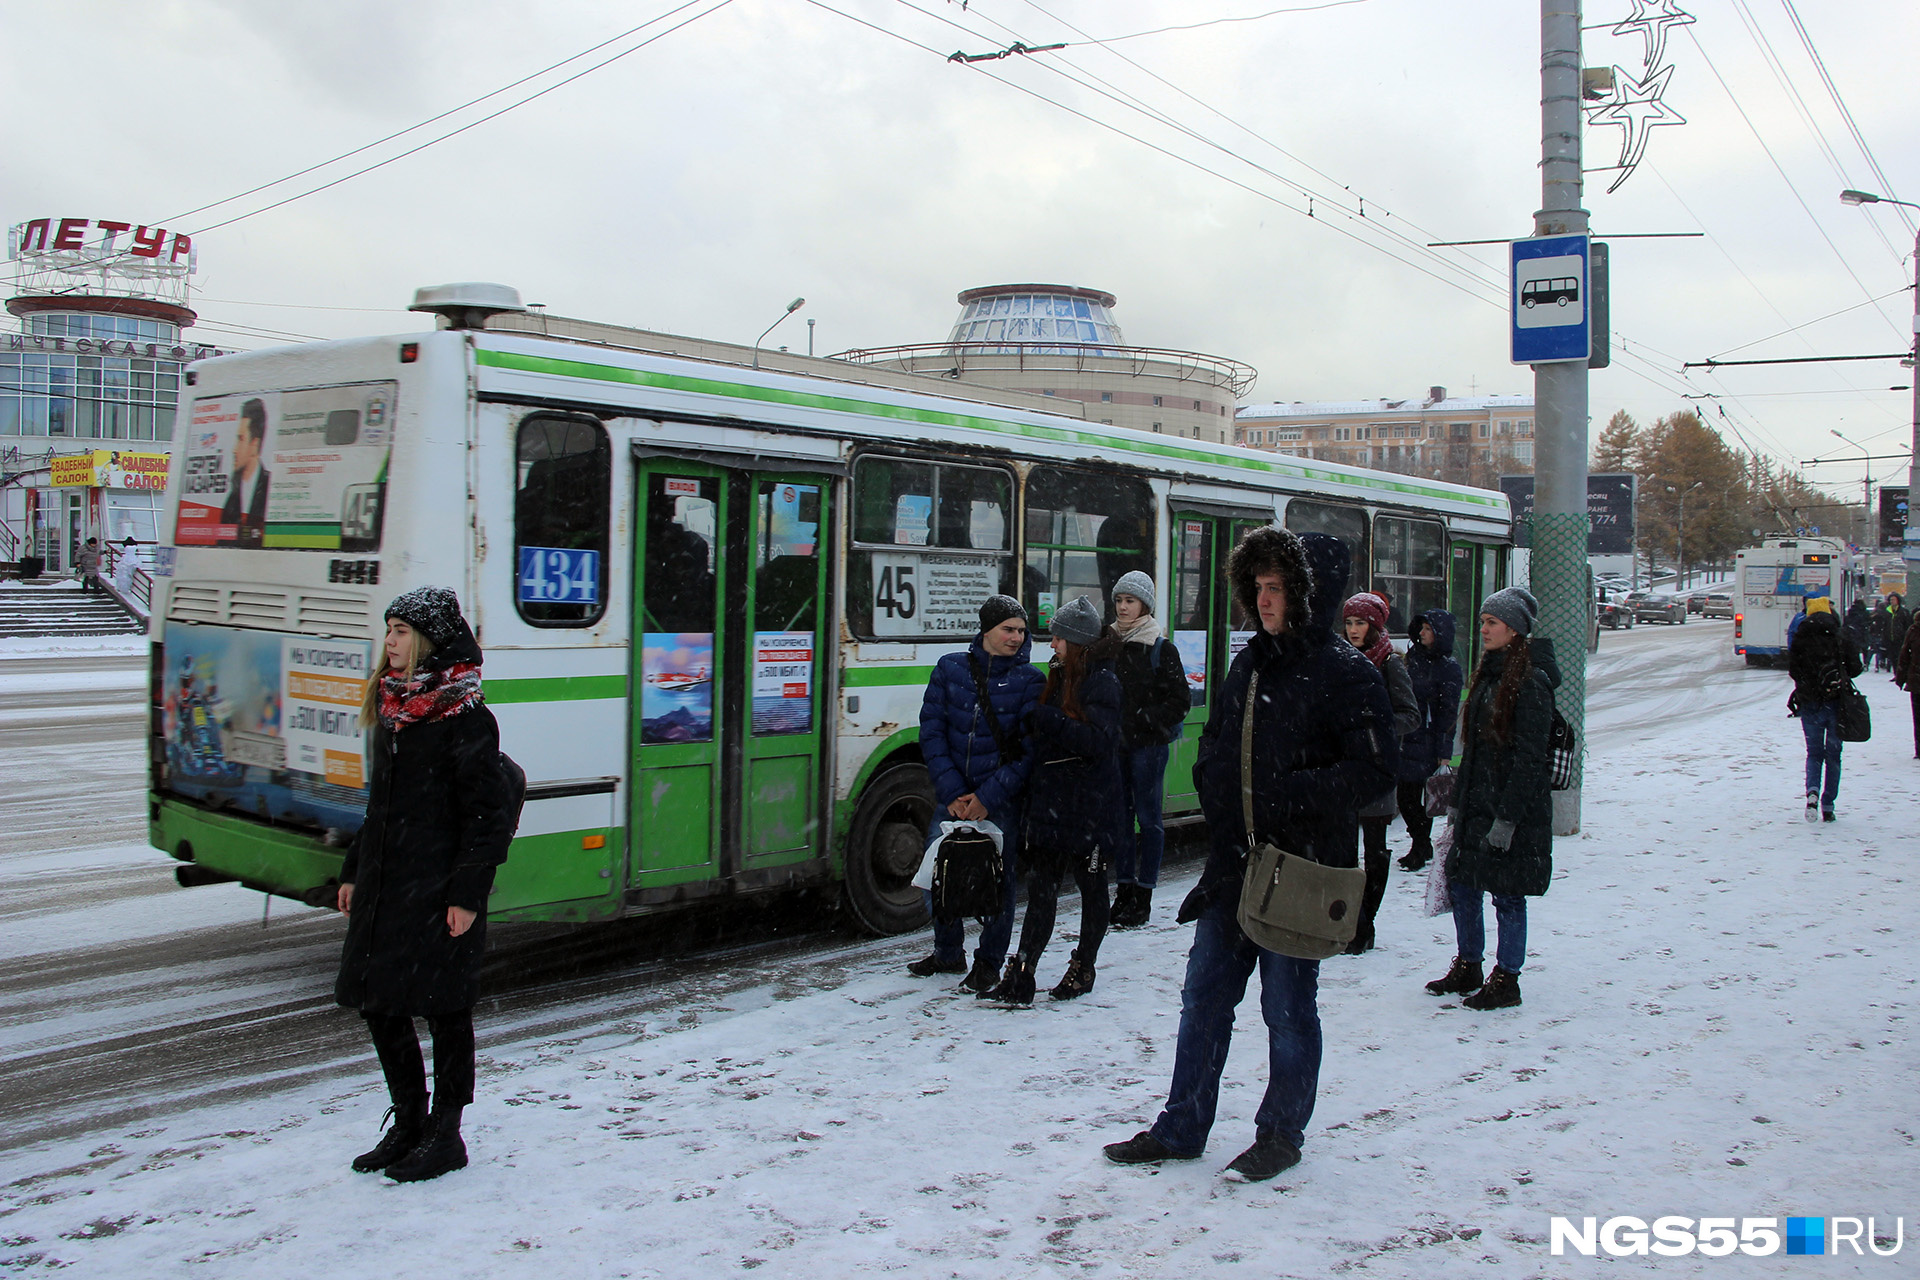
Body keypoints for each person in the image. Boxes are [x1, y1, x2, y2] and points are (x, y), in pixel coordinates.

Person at [1102, 529, 1395, 1182]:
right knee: (1203, 999)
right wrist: (1213, 779)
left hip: (1301, 870)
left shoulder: (1346, 673)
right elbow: (1216, 737)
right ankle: (1181, 1125)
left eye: (1277, 587)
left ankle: (1280, 1133)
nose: (1264, 600)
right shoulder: (1250, 663)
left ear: (1307, 593)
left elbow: (1378, 767)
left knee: (1288, 1009)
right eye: (1257, 586)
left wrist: (1291, 794)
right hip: (1234, 866)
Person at [335, 587, 517, 1182]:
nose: (389, 643)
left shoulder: (465, 717)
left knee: (445, 1011)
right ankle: (410, 1121)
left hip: (440, 888)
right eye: (388, 631)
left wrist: (467, 894)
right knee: (380, 1003)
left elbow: (485, 815)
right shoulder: (392, 708)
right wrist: (354, 871)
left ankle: (447, 1133)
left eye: (401, 633)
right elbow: (380, 806)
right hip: (390, 882)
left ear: (428, 642)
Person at [1424, 587, 1560, 1012]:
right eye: (1482, 622)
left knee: (1506, 894)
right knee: (1464, 885)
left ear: (1515, 631)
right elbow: (1477, 750)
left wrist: (1507, 819)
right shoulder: (1490, 675)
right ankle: (1469, 964)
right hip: (1477, 802)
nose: (1483, 630)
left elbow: (1529, 759)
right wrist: (1459, 804)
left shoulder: (1532, 682)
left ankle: (1508, 977)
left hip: (1509, 809)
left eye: (1492, 623)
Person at [990, 595, 1123, 1004]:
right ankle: (1023, 972)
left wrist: (1048, 720)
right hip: (1054, 803)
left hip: (1090, 807)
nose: (1052, 645)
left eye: (1060, 638)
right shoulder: (1060, 675)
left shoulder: (1102, 681)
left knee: (1092, 887)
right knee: (1042, 889)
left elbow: (1099, 742)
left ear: (1077, 642)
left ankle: (1083, 966)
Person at [909, 595, 1045, 993]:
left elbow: (1027, 753)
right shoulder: (950, 669)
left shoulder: (1031, 682)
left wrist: (986, 797)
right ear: (986, 630)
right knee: (938, 876)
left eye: (1021, 631)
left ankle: (988, 961)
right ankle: (948, 952)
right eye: (1008, 629)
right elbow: (931, 732)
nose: (1017, 638)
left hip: (998, 802)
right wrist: (952, 791)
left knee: (998, 883)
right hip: (952, 797)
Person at [1107, 570, 1190, 929]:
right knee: (1121, 820)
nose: (1123, 608)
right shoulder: (1108, 642)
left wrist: (1144, 718)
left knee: (1150, 820)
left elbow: (1180, 701)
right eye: (1119, 601)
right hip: (1118, 746)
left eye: (1130, 601)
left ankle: (1144, 894)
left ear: (1145, 605)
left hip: (1149, 748)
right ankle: (1123, 890)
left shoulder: (1160, 647)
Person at [1341, 591, 1420, 954]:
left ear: (1375, 626)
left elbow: (1410, 715)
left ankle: (1364, 923)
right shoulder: (1339, 659)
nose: (1354, 630)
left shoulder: (1390, 663)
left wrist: (1373, 731)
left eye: (1360, 623)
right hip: (1342, 770)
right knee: (1341, 852)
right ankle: (1341, 920)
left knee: (1373, 851)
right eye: (1349, 623)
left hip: (1376, 769)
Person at [1396, 609, 1463, 873]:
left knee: (1420, 799)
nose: (1422, 633)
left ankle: (1420, 845)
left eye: (1428, 629)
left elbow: (1448, 713)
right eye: (1420, 628)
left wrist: (1444, 752)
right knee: (1406, 797)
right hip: (1407, 737)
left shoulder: (1448, 668)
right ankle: (1421, 844)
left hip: (1426, 740)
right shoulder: (1413, 658)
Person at [1788, 596, 1863, 821]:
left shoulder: (1801, 637)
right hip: (1836, 703)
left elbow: (1793, 670)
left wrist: (1808, 684)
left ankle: (1812, 791)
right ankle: (1828, 804)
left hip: (1809, 702)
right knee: (1834, 755)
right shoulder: (1840, 635)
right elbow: (1856, 668)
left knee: (1814, 753)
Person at [219, 397, 271, 546]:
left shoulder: (271, 488)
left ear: (254, 444)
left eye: (240, 439)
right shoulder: (232, 499)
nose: (234, 450)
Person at [1895, 614, 1920, 759]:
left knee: (1918, 716)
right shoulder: (1913, 630)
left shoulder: (1914, 630)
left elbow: (1904, 655)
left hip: (1916, 679)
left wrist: (1901, 676)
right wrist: (1901, 677)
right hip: (1916, 680)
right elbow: (1904, 655)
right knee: (1917, 715)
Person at [1869, 598, 1890, 672]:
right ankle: (1882, 663)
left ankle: (1867, 663)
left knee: (1872, 650)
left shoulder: (1874, 614)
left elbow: (1869, 622)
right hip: (1881, 634)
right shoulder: (1886, 614)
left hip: (1874, 633)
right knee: (1881, 650)